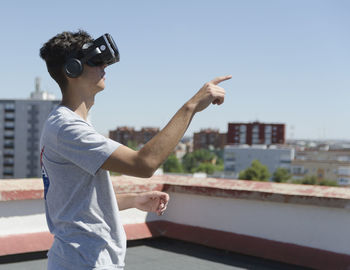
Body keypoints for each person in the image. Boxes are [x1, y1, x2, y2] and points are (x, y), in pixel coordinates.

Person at [39, 30, 231, 270]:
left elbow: (72, 201)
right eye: (96, 61)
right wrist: (191, 106)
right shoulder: (66, 128)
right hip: (85, 261)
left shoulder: (66, 124)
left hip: (83, 259)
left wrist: (134, 200)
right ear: (72, 70)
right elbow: (144, 164)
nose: (105, 66)